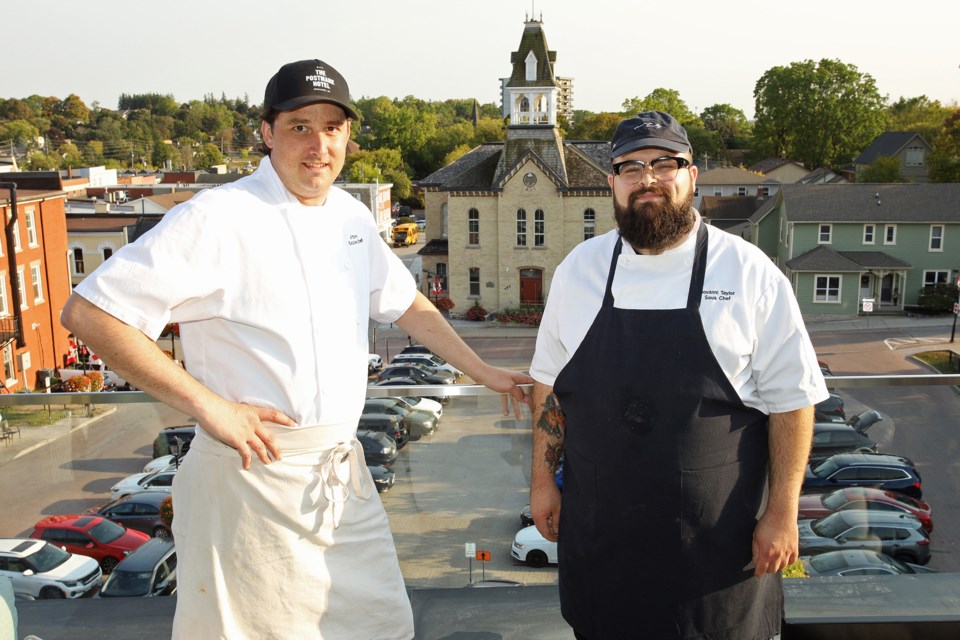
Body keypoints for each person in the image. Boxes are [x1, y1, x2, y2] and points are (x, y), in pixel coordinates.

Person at [61, 58, 531, 640]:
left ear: (347, 137)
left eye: (332, 128)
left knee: (381, 625)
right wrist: (209, 405)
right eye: (300, 126)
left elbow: (406, 303)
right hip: (252, 479)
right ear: (267, 132)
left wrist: (482, 369)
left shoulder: (350, 217)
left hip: (340, 479)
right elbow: (89, 312)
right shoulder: (218, 216)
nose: (318, 145)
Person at [528, 111, 829, 639]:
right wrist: (541, 485)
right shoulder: (579, 269)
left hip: (715, 557)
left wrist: (782, 513)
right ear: (611, 183)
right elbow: (551, 389)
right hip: (603, 549)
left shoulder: (748, 271)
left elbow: (793, 401)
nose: (648, 178)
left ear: (692, 174)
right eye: (631, 167)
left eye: (665, 163)